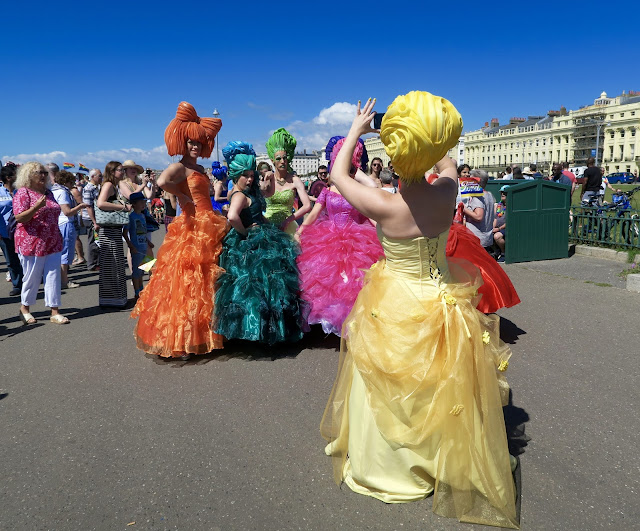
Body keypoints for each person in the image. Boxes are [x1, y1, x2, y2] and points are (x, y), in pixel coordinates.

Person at [321, 94, 518, 529]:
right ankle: (435, 459)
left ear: (393, 155)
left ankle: (391, 464)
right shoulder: (448, 192)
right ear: (428, 152)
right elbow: (446, 164)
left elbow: (337, 173)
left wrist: (360, 127)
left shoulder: (384, 205)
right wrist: (426, 140)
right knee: (436, 383)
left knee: (389, 382)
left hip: (394, 298)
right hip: (442, 295)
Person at [131, 101, 228, 359]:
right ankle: (183, 337)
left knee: (208, 282)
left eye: (198, 143)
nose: (195, 146)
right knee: (187, 281)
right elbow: (162, 182)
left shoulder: (198, 168)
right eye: (191, 142)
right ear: (183, 143)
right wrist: (181, 197)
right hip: (192, 226)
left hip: (210, 222)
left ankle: (203, 332)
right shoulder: (181, 167)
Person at [214, 141, 308, 344]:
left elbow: (256, 213)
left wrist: (266, 224)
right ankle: (254, 330)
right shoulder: (239, 195)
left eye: (251, 175)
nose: (249, 179)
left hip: (261, 235)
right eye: (245, 176)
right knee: (252, 287)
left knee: (266, 286)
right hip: (249, 244)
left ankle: (260, 329)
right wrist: (245, 231)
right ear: (236, 176)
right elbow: (232, 216)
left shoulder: (247, 193)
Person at [295, 137, 383, 335]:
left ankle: (351, 320)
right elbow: (315, 213)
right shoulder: (327, 191)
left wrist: (385, 232)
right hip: (328, 238)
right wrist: (300, 231)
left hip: (358, 240)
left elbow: (370, 215)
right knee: (327, 280)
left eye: (353, 168)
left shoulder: (358, 189)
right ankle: (328, 321)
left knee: (352, 282)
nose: (350, 171)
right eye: (347, 167)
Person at [13, 162, 69, 324]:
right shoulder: (23, 193)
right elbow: (19, 217)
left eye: (45, 172)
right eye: (39, 172)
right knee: (32, 277)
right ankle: (25, 308)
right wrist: (37, 206)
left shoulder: (48, 192)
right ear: (29, 175)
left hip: (52, 240)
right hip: (31, 242)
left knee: (53, 275)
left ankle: (55, 310)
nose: (43, 175)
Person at [96, 161, 132, 308]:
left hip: (113, 230)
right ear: (112, 171)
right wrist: (122, 207)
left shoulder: (113, 185)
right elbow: (101, 203)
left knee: (114, 264)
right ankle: (113, 300)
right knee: (112, 264)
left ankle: (116, 299)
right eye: (119, 170)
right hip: (109, 230)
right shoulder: (109, 185)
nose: (122, 172)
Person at [263, 128, 311, 235]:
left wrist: (288, 220)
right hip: (268, 226)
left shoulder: (295, 180)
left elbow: (307, 206)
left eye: (285, 158)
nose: (282, 161)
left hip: (288, 227)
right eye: (279, 158)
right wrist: (266, 179)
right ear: (272, 161)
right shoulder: (268, 179)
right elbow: (257, 196)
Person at [51, 170, 88, 289]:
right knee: (65, 253)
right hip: (66, 223)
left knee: (61, 252)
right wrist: (80, 206)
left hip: (59, 223)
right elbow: (67, 212)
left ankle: (62, 279)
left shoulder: (54, 190)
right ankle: (64, 280)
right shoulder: (63, 192)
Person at [0, 163, 23, 296]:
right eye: (16, 174)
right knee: (11, 259)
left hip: (21, 230)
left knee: (25, 257)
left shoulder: (20, 191)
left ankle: (29, 281)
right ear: (8, 177)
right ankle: (17, 284)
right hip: (4, 232)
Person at [461, 169, 496, 254]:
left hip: (477, 238)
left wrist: (463, 208)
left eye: (470, 179)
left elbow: (478, 216)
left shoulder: (478, 197)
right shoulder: (489, 195)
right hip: (486, 238)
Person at [127, 192, 152, 299]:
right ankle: (137, 292)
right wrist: (131, 246)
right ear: (134, 204)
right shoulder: (131, 217)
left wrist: (148, 242)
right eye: (141, 202)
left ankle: (141, 289)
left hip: (143, 246)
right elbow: (125, 232)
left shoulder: (142, 216)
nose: (143, 204)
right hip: (136, 247)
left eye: (144, 202)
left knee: (143, 269)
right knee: (136, 271)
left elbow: (143, 231)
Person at [81, 168, 102, 271]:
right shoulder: (89, 188)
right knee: (93, 241)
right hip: (91, 218)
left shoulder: (95, 187)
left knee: (97, 241)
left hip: (94, 217)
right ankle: (92, 264)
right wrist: (94, 221)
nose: (101, 178)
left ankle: (96, 262)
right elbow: (88, 206)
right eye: (99, 176)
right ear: (93, 177)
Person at [493, 185, 509, 261]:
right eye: (501, 192)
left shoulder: (511, 205)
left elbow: (509, 221)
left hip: (507, 228)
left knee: (497, 236)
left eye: (505, 193)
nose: (502, 194)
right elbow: (496, 218)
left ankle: (504, 253)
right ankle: (496, 252)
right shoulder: (498, 205)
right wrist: (492, 228)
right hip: (498, 228)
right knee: (488, 234)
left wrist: (499, 228)